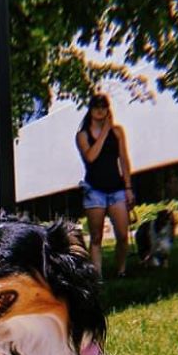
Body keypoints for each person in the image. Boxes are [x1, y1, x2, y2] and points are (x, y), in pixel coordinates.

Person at [76, 92, 134, 277]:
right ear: (91, 110)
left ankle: (121, 270)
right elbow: (91, 157)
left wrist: (128, 187)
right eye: (96, 107)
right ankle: (97, 276)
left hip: (116, 188)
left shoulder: (118, 132)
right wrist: (103, 133)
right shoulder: (82, 135)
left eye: (104, 107)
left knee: (123, 235)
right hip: (94, 189)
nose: (100, 111)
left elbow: (124, 159)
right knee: (96, 237)